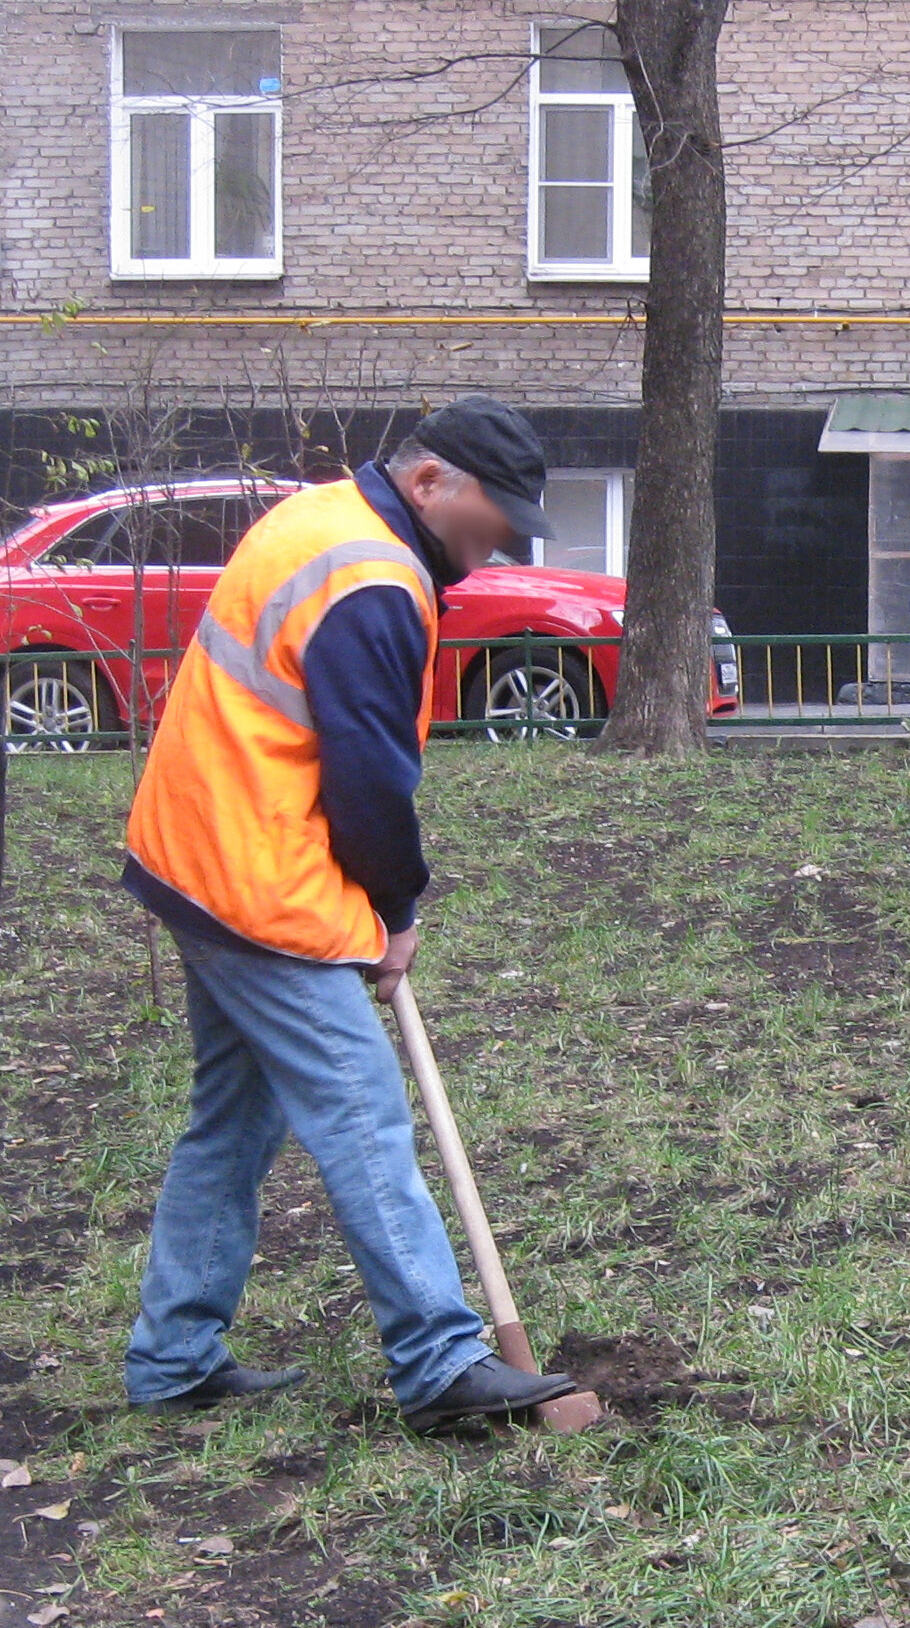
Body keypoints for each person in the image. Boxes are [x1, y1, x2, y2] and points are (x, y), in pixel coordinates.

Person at [116, 396, 573, 1431]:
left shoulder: (322, 519)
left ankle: (174, 1356)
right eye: (490, 521)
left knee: (233, 1118)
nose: (493, 548)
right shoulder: (370, 578)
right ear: (428, 484)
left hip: (197, 852)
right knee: (361, 1109)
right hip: (255, 879)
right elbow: (370, 779)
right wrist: (396, 907)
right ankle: (441, 1361)